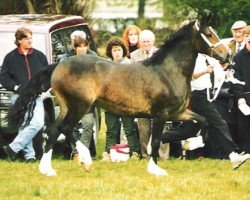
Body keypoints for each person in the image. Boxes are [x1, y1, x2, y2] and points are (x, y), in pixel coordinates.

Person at [162, 53, 250, 169]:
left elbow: (219, 77)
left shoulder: (209, 58)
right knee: (219, 123)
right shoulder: (191, 57)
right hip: (196, 95)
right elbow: (189, 77)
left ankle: (158, 137)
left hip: (206, 96)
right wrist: (204, 71)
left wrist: (229, 76)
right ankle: (233, 156)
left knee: (188, 130)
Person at [0, 27, 49, 162]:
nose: (30, 40)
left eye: (31, 37)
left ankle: (12, 148)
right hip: (19, 97)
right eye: (27, 38)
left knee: (38, 123)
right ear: (19, 40)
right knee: (23, 125)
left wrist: (43, 87)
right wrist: (15, 87)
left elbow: (48, 76)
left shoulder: (40, 56)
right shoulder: (10, 57)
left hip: (35, 97)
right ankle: (30, 156)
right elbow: (3, 77)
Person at [58, 30, 97, 160]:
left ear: (87, 45)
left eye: (83, 45)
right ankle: (76, 151)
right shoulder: (66, 59)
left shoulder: (94, 58)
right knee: (72, 125)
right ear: (74, 46)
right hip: (72, 98)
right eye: (78, 45)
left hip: (88, 98)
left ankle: (83, 151)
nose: (81, 48)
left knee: (88, 124)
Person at [101, 38, 140, 161]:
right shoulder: (105, 65)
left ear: (123, 51)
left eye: (119, 49)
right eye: (114, 50)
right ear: (110, 52)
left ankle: (135, 153)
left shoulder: (129, 64)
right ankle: (107, 153)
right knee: (111, 130)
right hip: (110, 103)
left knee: (129, 129)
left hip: (125, 103)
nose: (117, 52)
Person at [130, 30, 166, 159]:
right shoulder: (134, 56)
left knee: (160, 124)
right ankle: (146, 154)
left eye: (148, 41)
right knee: (143, 126)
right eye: (143, 41)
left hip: (159, 95)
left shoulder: (161, 54)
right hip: (141, 95)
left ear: (153, 42)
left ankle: (162, 155)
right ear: (140, 43)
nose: (146, 44)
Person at [230, 25, 250, 154]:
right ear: (245, 38)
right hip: (245, 98)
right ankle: (246, 152)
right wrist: (240, 99)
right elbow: (234, 81)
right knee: (245, 129)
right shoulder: (238, 58)